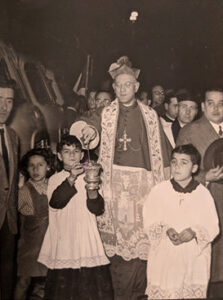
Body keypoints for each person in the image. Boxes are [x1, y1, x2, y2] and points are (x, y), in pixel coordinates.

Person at [79, 56, 171, 299]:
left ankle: (139, 290)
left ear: (137, 87)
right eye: (118, 86)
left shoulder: (151, 116)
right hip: (113, 184)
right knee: (117, 246)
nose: (122, 90)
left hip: (143, 186)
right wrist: (88, 130)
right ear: (114, 87)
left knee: (142, 243)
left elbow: (162, 152)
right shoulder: (106, 113)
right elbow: (90, 123)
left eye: (127, 85)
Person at [38, 135, 113, 300]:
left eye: (76, 151)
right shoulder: (54, 179)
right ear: (59, 156)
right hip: (64, 240)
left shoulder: (90, 175)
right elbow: (57, 202)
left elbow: (97, 208)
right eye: (67, 151)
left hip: (86, 238)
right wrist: (71, 177)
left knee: (91, 290)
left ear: (82, 155)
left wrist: (92, 188)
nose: (72, 155)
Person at [143, 144, 219, 299]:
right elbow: (150, 218)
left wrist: (194, 232)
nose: (177, 167)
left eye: (184, 163)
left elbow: (212, 225)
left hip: (193, 257)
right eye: (174, 162)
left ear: (194, 168)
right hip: (166, 256)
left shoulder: (203, 194)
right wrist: (166, 229)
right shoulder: (159, 191)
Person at [176, 87, 223, 298]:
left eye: (221, 103)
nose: (216, 108)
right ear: (203, 106)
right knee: (206, 269)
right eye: (211, 103)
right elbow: (178, 172)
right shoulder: (190, 132)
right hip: (206, 203)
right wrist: (205, 177)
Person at [14, 148, 54, 300]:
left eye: (40, 165)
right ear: (26, 169)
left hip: (50, 243)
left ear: (48, 167)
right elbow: (14, 209)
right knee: (24, 281)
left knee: (51, 281)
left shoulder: (53, 186)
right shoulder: (24, 191)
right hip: (30, 246)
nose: (36, 169)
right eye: (31, 165)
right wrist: (18, 187)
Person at [0, 77, 19, 300]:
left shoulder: (13, 137)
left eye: (9, 101)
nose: (4, 107)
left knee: (6, 277)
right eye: (0, 100)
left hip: (8, 221)